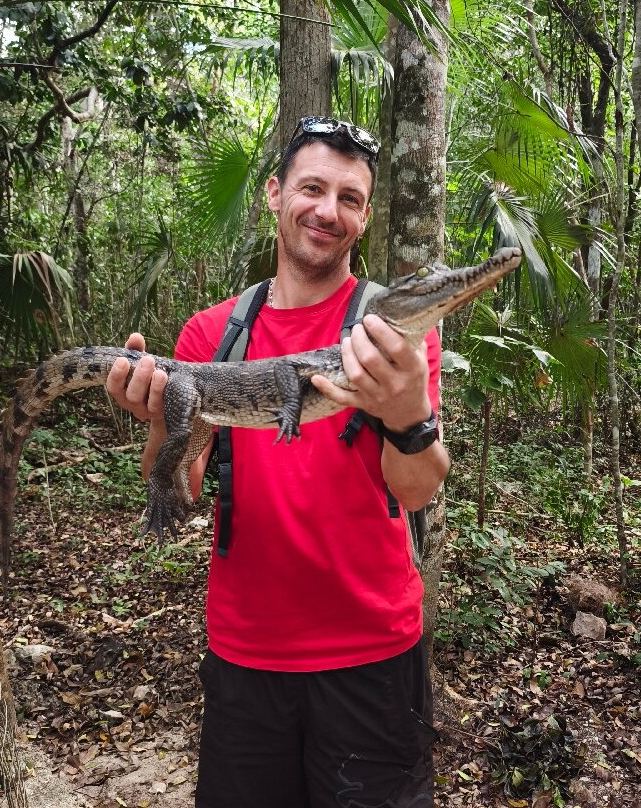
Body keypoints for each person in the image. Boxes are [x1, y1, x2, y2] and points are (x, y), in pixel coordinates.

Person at [106, 116, 450, 808]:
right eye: (313, 188)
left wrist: (408, 409)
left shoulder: (392, 333)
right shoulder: (212, 333)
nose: (327, 211)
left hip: (373, 657)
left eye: (349, 198)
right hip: (246, 656)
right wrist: (156, 425)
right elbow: (188, 486)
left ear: (365, 217)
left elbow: (415, 491)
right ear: (274, 193)